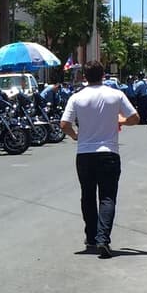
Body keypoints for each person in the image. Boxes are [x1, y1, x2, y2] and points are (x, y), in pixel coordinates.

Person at [60, 60, 140, 258]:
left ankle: (91, 237)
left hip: (85, 154)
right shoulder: (116, 95)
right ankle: (103, 239)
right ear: (103, 75)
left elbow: (64, 124)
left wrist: (75, 136)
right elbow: (135, 118)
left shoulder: (76, 98)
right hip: (109, 153)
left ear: (84, 77)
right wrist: (119, 120)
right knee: (107, 197)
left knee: (87, 196)